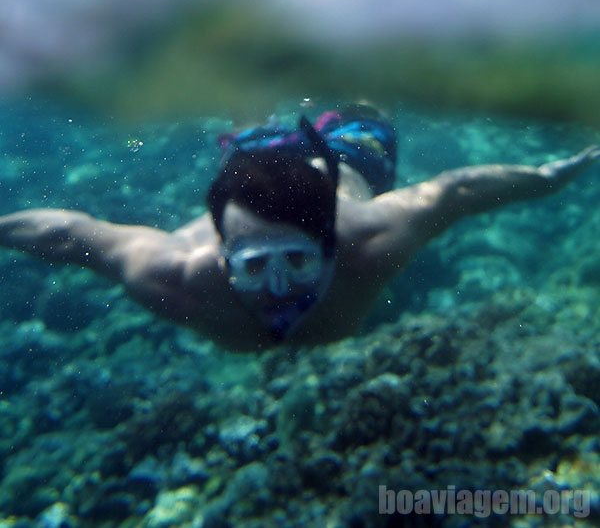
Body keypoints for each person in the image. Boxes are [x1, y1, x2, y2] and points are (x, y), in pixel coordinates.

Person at [0, 107, 597, 352]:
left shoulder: (370, 237)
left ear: (331, 247)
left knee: (369, 119)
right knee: (250, 136)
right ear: (222, 254)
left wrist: (544, 178)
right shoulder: (174, 272)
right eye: (255, 267)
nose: (279, 289)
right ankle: (256, 127)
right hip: (259, 164)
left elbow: (456, 192)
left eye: (298, 262)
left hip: (346, 156)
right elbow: (69, 236)